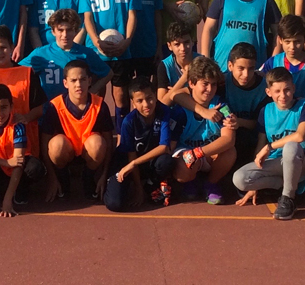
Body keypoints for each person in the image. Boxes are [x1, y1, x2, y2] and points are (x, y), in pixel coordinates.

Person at [233, 67, 305, 220]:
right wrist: (256, 183)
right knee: (240, 179)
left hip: (299, 161)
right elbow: (260, 146)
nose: (283, 95)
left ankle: (288, 199)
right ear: (269, 92)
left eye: (287, 90)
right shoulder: (266, 111)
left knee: (291, 147)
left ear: (293, 88)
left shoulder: (304, 105)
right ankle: (285, 186)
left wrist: (269, 147)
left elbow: (300, 135)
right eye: (277, 91)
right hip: (277, 163)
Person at [80, 0, 141, 115]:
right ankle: (98, 130)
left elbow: (132, 15)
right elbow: (87, 18)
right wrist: (97, 42)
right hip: (97, 49)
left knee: (121, 94)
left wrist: (127, 41)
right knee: (97, 93)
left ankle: (122, 137)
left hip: (121, 49)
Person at [41, 60, 114, 202]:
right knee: (56, 145)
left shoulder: (100, 105)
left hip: (89, 153)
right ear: (65, 83)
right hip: (66, 153)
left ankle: (88, 177)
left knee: (98, 143)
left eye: (82, 79)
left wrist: (104, 175)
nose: (78, 84)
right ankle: (63, 178)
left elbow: (109, 143)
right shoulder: (54, 106)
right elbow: (44, 144)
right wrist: (52, 178)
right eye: (73, 80)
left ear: (89, 81)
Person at [170, 56, 236, 205]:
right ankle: (189, 182)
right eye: (205, 84)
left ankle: (211, 183)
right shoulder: (180, 110)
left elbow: (229, 139)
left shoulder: (221, 105)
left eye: (213, 85)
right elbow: (170, 145)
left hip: (205, 154)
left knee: (230, 152)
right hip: (185, 152)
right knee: (184, 165)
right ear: (192, 83)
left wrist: (198, 153)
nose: (210, 89)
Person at [0, 84, 46, 216]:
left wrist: (7, 200)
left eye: (4, 107)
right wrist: (5, 163)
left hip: (16, 166)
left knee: (35, 168)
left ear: (11, 107)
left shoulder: (18, 124)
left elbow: (18, 162)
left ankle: (20, 189)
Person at [105, 77, 175, 211]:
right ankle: (127, 185)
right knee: (115, 204)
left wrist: (134, 163)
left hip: (144, 162)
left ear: (155, 96)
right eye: (140, 101)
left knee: (166, 161)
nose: (146, 104)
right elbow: (130, 157)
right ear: (133, 103)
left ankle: (150, 185)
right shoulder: (129, 121)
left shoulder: (163, 111)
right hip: (127, 163)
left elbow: (164, 147)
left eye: (149, 98)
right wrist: (138, 189)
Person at [202, 0, 280, 71]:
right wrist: (205, 59)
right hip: (221, 69)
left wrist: (272, 63)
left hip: (254, 72)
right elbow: (208, 29)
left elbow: (279, 35)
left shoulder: (266, 0)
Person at [0, 25, 46, 160]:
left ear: (11, 47)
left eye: (3, 47)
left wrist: (26, 117)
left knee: (33, 171)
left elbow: (42, 106)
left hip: (25, 144)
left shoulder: (27, 73)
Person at [21, 9, 111, 100]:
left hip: (75, 109)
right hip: (49, 109)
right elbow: (17, 69)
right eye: (60, 30)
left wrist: (89, 94)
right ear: (53, 31)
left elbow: (108, 74)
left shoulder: (86, 53)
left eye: (69, 30)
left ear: (76, 31)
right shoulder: (40, 53)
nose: (65, 35)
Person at [260, 15, 305, 108]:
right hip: (278, 118)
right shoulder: (273, 62)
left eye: (297, 42)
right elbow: (256, 82)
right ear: (280, 40)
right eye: (287, 42)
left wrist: (303, 109)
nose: (292, 47)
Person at [223, 43, 269, 165]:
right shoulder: (220, 82)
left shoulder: (265, 88)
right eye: (241, 68)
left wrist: (239, 122)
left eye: (251, 69)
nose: (246, 75)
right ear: (230, 66)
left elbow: (260, 123)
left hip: (253, 138)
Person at [156, 22, 199, 102]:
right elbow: (163, 103)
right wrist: (184, 79)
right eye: (177, 44)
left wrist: (176, 92)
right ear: (169, 46)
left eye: (186, 42)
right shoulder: (164, 66)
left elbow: (207, 94)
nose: (183, 48)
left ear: (192, 41)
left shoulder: (201, 62)